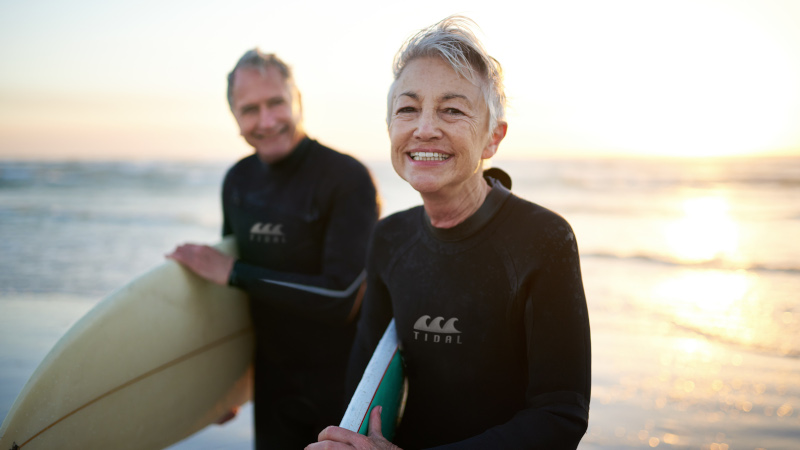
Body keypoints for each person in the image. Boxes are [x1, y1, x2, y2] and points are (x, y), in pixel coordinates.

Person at [308, 16, 591, 450]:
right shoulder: (389, 239)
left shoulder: (543, 240)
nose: (424, 128)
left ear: (492, 139)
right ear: (391, 130)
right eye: (407, 109)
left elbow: (561, 415)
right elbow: (365, 382)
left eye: (452, 110)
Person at [168, 50, 379, 448]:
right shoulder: (238, 181)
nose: (266, 121)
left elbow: (342, 297)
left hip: (343, 390)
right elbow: (236, 304)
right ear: (234, 117)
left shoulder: (346, 178)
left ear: (297, 100)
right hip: (272, 391)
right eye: (250, 110)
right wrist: (223, 386)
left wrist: (234, 272)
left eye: (276, 103)